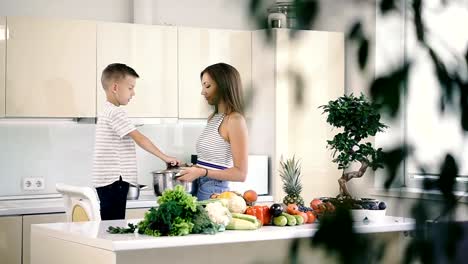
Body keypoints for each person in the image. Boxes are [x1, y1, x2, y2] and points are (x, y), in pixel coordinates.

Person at [92, 63, 180, 220]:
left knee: (108, 223)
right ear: (115, 88)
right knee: (114, 225)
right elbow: (140, 139)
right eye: (130, 88)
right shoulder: (116, 112)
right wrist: (165, 157)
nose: (133, 93)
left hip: (105, 180)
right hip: (115, 180)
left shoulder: (105, 110)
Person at [178, 63, 248, 200]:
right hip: (199, 184)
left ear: (224, 86)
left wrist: (202, 172)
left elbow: (241, 174)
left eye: (208, 86)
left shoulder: (235, 120)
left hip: (214, 189)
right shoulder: (213, 118)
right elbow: (211, 161)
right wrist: (191, 167)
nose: (203, 92)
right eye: (203, 86)